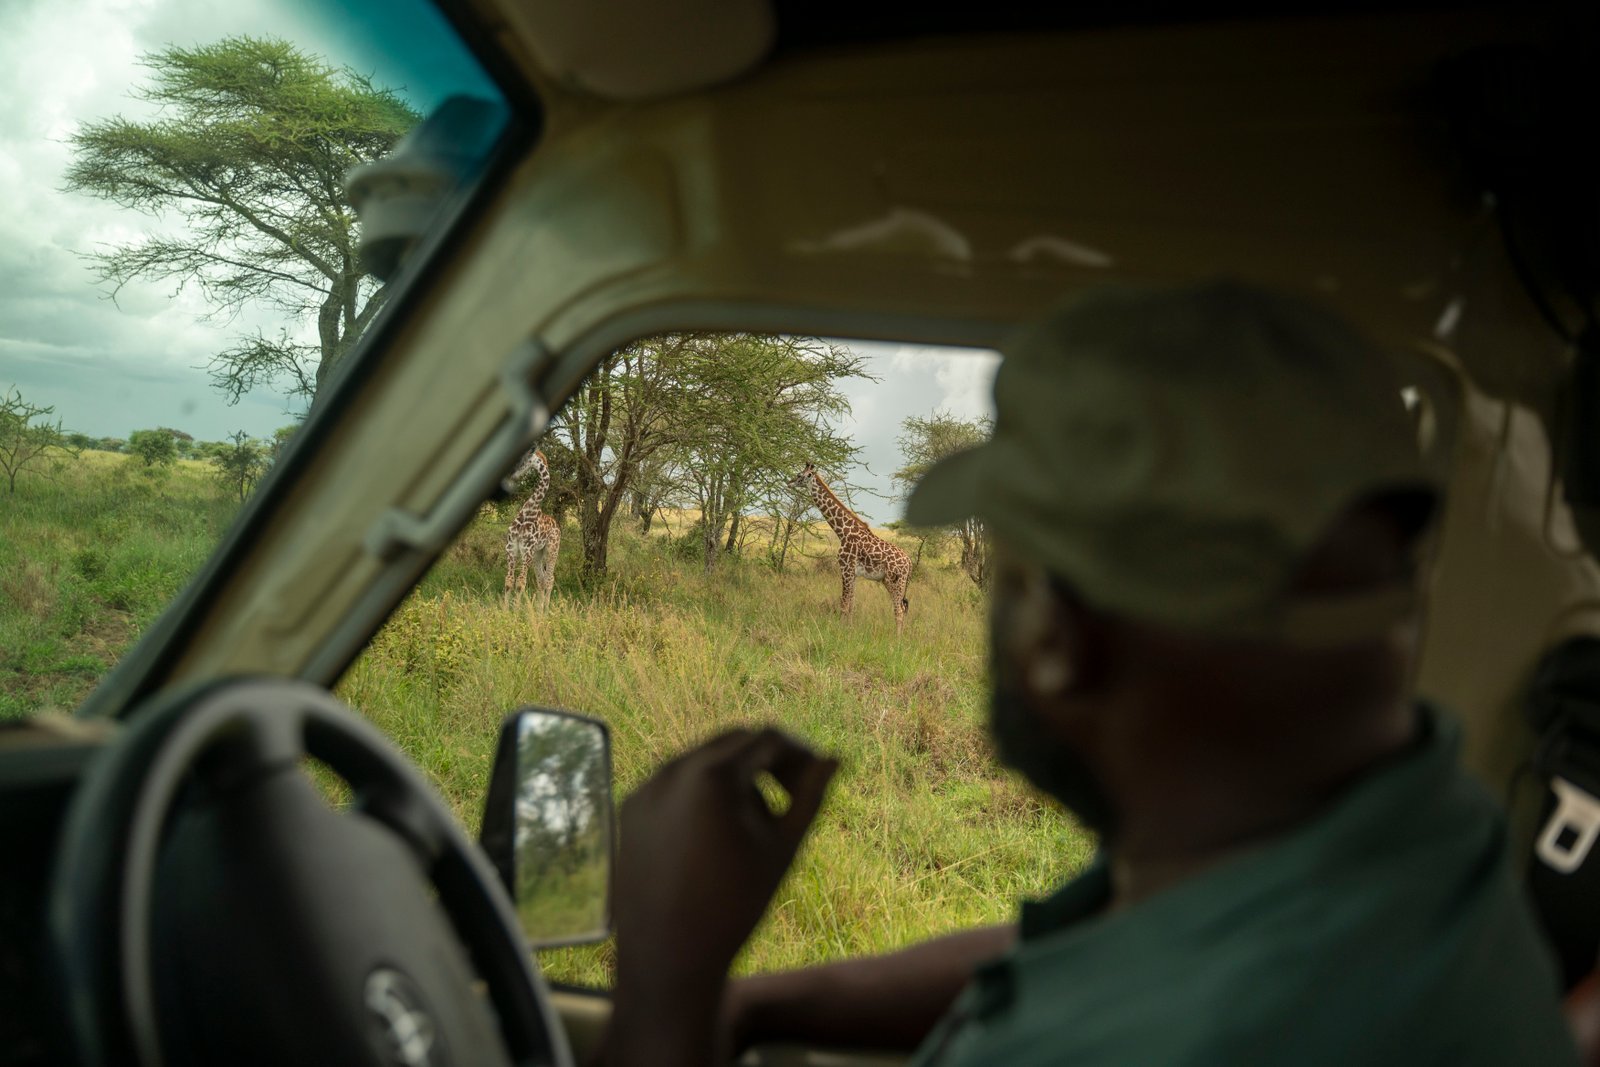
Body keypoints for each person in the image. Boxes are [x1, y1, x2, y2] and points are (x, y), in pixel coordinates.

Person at [602, 280, 1583, 1066]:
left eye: (1010, 574)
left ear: (1056, 636)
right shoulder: (1419, 829)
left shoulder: (1164, 1039)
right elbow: (1107, 946)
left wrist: (663, 992)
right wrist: (761, 998)